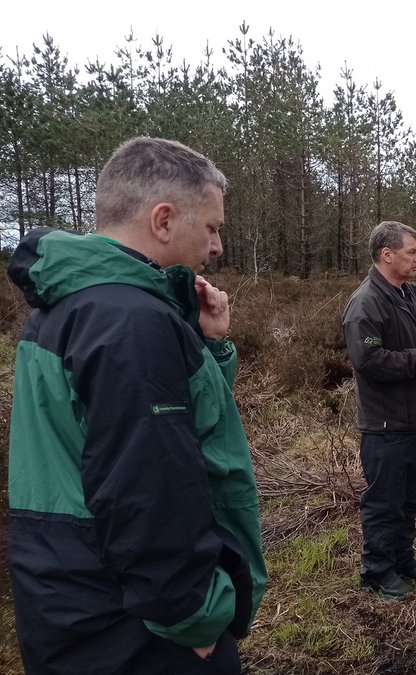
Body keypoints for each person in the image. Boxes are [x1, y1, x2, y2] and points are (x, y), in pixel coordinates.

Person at [6, 137, 266, 674]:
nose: (217, 246)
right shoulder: (129, 323)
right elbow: (149, 486)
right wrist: (192, 613)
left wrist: (211, 345)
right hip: (131, 625)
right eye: (212, 227)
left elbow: (149, 433)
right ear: (164, 220)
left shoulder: (74, 305)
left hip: (73, 598)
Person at [342, 221, 416, 600]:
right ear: (387, 254)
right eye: (411, 252)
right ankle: (377, 572)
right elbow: (367, 359)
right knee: (384, 503)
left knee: (410, 498)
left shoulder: (406, 295)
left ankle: (402, 560)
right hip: (386, 427)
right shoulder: (365, 303)